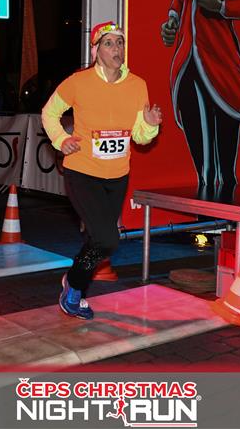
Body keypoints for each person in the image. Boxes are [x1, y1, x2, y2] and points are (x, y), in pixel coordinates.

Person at [42, 21, 163, 320]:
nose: (116, 49)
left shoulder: (137, 85)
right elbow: (49, 113)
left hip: (117, 176)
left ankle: (73, 283)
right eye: (109, 43)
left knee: (98, 240)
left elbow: (140, 137)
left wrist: (149, 125)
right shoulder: (78, 82)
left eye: (120, 42)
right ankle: (74, 288)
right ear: (96, 50)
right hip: (82, 171)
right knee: (108, 240)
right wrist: (61, 140)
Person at [161, 0, 240, 188]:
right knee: (204, 172)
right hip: (187, 59)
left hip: (220, 59)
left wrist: (221, 6)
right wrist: (173, 19)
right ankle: (204, 209)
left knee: (225, 174)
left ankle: (223, 210)